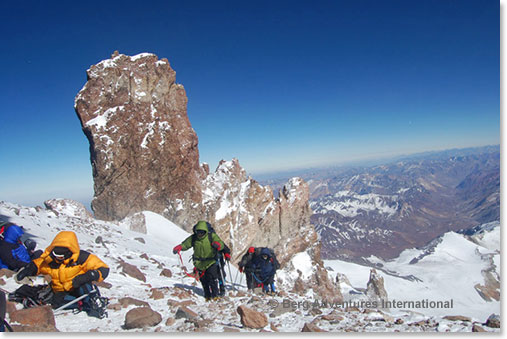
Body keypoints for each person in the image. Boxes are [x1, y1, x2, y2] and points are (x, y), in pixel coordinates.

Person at [14, 231, 109, 318]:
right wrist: (30, 269)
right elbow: (39, 264)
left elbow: (103, 268)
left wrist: (88, 276)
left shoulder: (81, 258)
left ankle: (92, 302)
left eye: (61, 256)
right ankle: (81, 304)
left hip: (77, 287)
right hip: (60, 291)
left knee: (84, 285)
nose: (58, 259)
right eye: (56, 255)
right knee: (56, 301)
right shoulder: (51, 260)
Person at [173, 221, 225, 301]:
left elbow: (221, 244)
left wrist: (218, 245)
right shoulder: (194, 238)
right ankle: (207, 295)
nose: (200, 234)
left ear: (206, 231)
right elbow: (186, 244)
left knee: (212, 278)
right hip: (199, 263)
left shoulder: (211, 236)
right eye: (198, 232)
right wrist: (180, 247)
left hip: (211, 261)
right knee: (204, 280)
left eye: (202, 232)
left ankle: (215, 295)